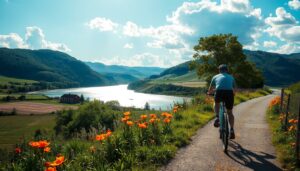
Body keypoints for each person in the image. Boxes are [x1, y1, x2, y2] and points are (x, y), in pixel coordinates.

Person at [207, 64, 236, 139]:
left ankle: (217, 117)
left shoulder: (215, 76)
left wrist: (209, 93)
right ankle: (232, 130)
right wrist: (233, 94)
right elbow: (234, 89)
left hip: (219, 92)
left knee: (216, 103)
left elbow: (210, 89)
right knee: (230, 112)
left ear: (219, 70)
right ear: (227, 70)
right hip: (229, 93)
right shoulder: (231, 77)